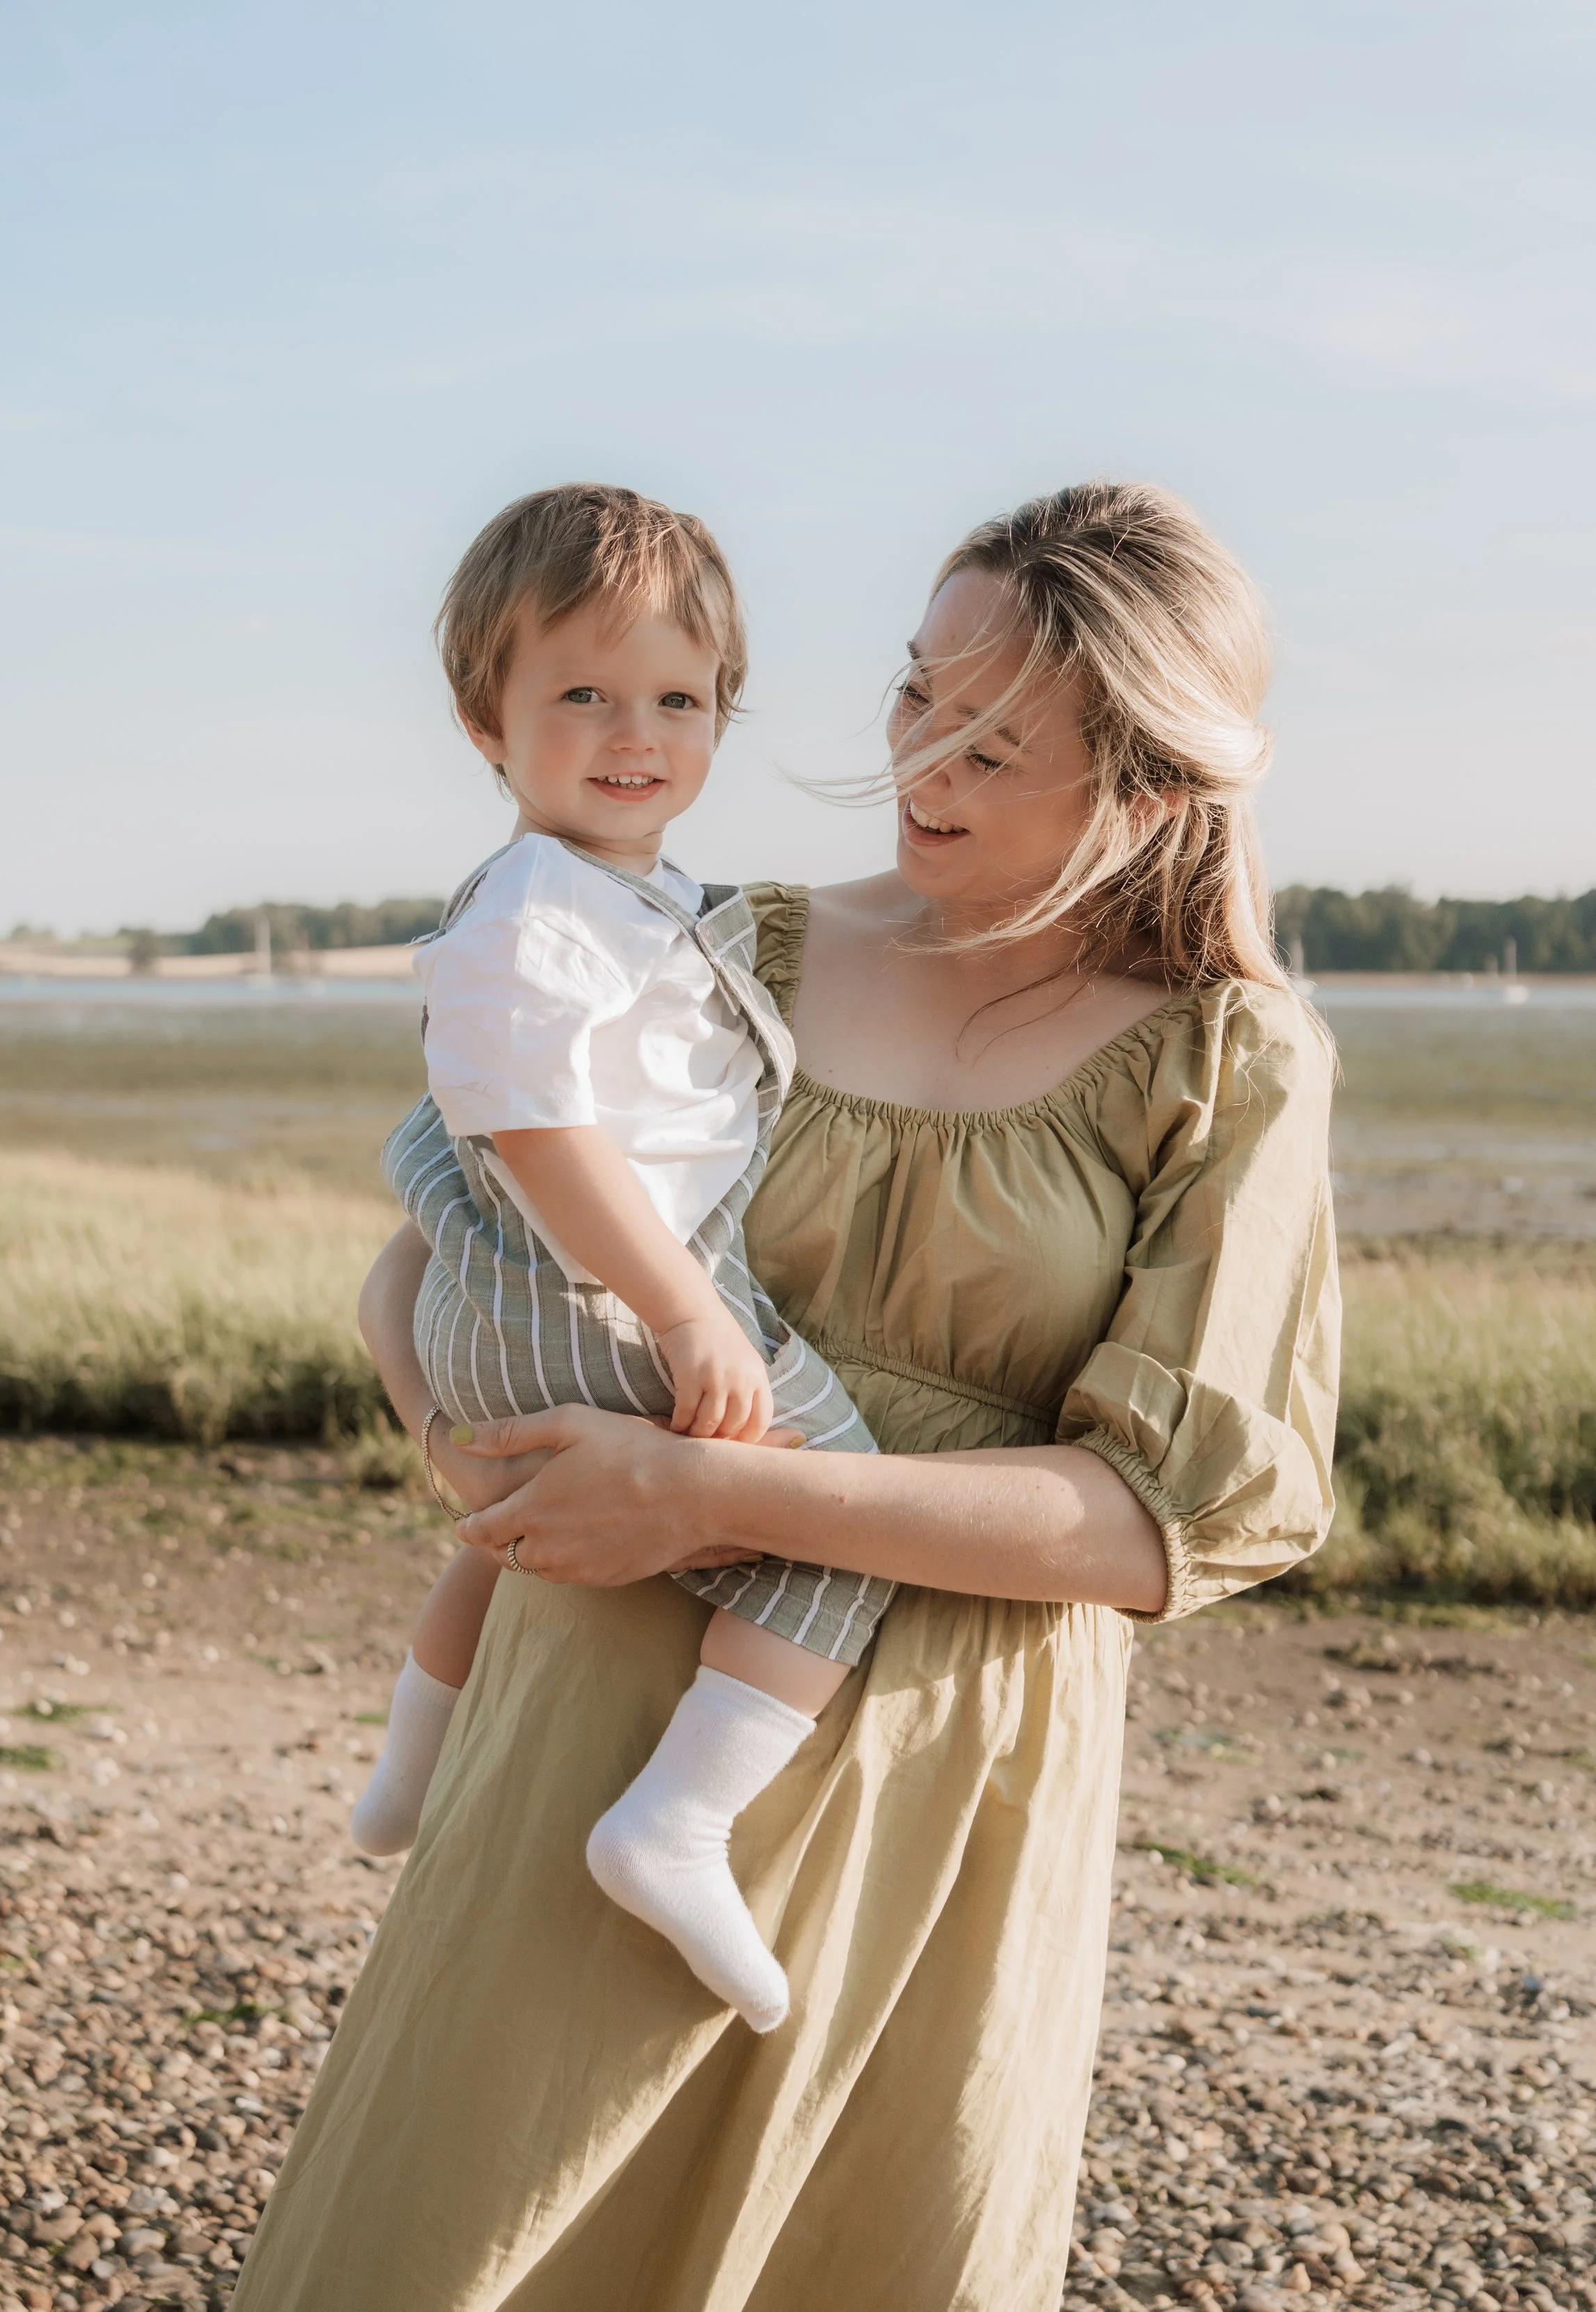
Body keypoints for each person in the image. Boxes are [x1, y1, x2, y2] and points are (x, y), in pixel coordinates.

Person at [233, 479, 1339, 2312]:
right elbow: (425, 1248)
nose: (922, 761)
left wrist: (717, 1498)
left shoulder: (1231, 1059)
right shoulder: (711, 941)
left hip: (946, 1794)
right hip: (595, 1703)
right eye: (917, 693)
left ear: (1149, 780)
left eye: (998, 742)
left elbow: (1171, 1520)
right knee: (451, 2247)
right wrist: (491, 1469)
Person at [350, 483, 887, 2034]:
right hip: (595, 1297)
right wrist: (688, 1312)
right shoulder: (535, 905)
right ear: (484, 717)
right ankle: (677, 1819)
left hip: (530, 1302)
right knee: (831, 1527)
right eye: (579, 693)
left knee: (507, 1517)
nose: (632, 730)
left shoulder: (619, 896)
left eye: (677, 696)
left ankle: (408, 1762)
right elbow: (530, 1128)